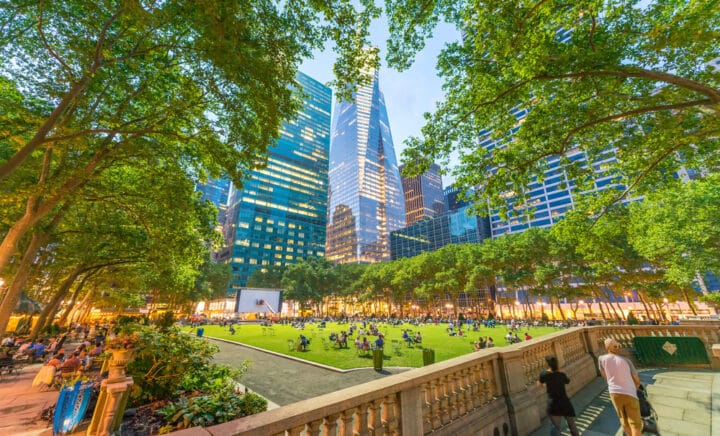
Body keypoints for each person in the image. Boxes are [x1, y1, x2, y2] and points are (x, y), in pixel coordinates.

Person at [599, 338, 642, 436]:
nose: (618, 348)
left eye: (619, 346)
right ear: (608, 347)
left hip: (614, 393)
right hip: (629, 393)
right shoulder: (626, 361)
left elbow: (604, 375)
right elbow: (637, 380)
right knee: (635, 423)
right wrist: (636, 386)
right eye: (616, 346)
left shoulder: (601, 359)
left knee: (624, 420)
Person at [537, 355, 580, 436]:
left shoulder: (544, 374)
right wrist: (558, 371)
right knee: (572, 426)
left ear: (547, 364)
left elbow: (539, 383)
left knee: (555, 428)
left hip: (553, 404)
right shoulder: (562, 375)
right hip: (565, 403)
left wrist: (545, 385)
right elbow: (567, 381)